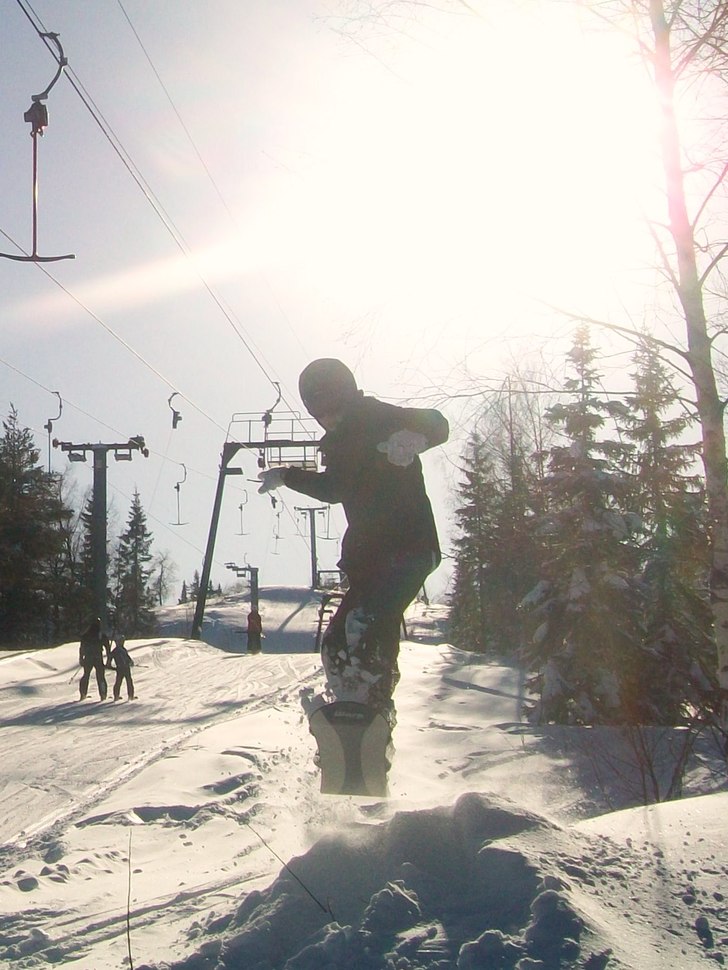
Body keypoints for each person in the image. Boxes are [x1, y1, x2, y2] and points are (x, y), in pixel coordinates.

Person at [258, 358, 448, 724]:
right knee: (336, 643)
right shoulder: (338, 445)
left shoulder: (379, 416)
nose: (326, 419)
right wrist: (287, 475)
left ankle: (370, 708)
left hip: (408, 546)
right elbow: (336, 489)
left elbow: (439, 423)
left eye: (331, 409)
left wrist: (414, 437)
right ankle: (352, 712)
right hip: (370, 557)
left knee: (366, 626)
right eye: (319, 413)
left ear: (345, 395)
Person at [78, 617, 109, 701]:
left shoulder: (86, 635)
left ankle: (83, 694)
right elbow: (107, 648)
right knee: (101, 677)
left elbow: (82, 648)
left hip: (88, 657)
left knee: (86, 675)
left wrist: (81, 658)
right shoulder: (101, 635)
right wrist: (108, 660)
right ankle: (103, 694)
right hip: (98, 657)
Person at [109, 635, 135, 701]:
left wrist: (130, 662)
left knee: (122, 682)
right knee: (125, 681)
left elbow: (127, 657)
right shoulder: (118, 650)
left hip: (122, 668)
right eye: (121, 641)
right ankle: (129, 696)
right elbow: (110, 660)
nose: (122, 642)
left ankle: (118, 696)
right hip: (123, 668)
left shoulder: (120, 649)